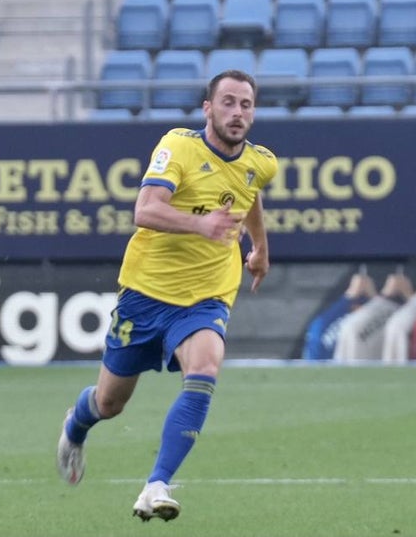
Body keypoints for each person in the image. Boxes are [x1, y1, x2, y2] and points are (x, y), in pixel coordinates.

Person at [55, 70, 278, 522]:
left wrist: (259, 249)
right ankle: (75, 426)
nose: (238, 113)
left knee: (205, 368)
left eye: (246, 105)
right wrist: (202, 224)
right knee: (110, 403)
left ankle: (156, 484)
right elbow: (145, 209)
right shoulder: (178, 146)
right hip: (146, 294)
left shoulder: (262, 161)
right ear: (208, 109)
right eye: (229, 102)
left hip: (207, 296)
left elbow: (249, 192)